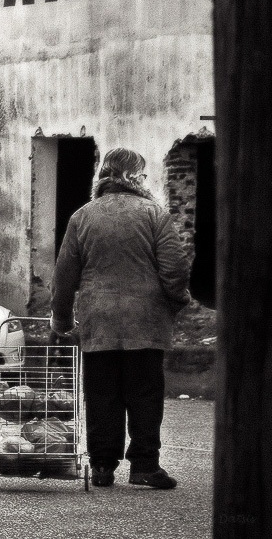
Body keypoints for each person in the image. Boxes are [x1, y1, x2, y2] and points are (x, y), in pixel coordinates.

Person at [52, 147, 191, 490]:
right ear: (131, 177)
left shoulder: (82, 217)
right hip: (145, 321)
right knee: (145, 394)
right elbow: (174, 268)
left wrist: (61, 320)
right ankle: (145, 465)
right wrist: (175, 302)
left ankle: (102, 466)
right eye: (142, 175)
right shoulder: (154, 214)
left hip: (97, 322)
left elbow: (64, 277)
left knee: (101, 394)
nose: (145, 181)